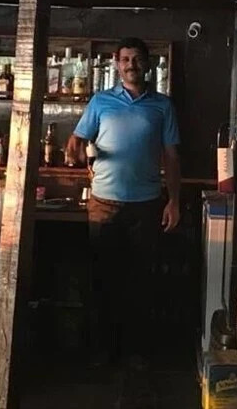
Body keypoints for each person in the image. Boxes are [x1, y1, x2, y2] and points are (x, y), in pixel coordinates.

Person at [66, 37, 181, 370]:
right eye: (126, 59)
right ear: (117, 64)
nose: (132, 65)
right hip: (104, 204)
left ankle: (136, 352)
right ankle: (103, 351)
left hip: (146, 205)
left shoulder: (162, 106)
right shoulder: (100, 101)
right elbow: (77, 140)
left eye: (137, 59)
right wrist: (75, 149)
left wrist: (174, 201)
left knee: (141, 282)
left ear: (148, 64)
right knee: (103, 279)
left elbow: (172, 157)